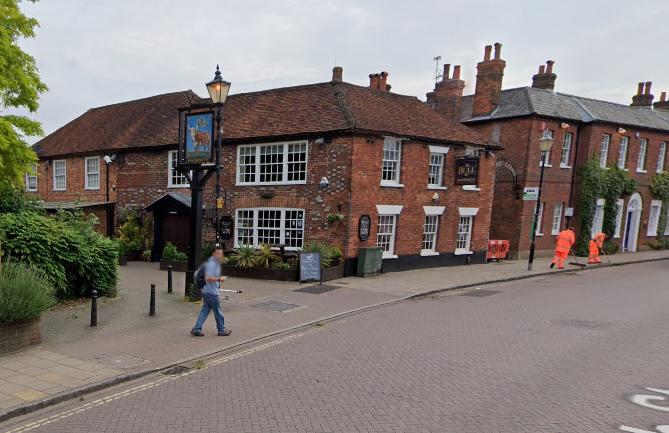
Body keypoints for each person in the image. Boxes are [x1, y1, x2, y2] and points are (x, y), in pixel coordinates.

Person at [191, 245, 232, 337]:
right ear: (213, 253)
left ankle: (197, 328)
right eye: (218, 253)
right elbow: (208, 278)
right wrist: (219, 279)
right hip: (211, 293)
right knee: (218, 312)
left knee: (205, 310)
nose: (220, 255)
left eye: (221, 254)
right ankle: (221, 330)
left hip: (206, 291)